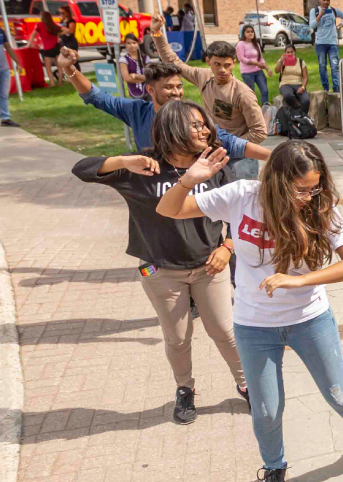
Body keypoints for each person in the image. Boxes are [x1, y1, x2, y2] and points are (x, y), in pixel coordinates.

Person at [155, 141, 343, 481]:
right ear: (278, 182)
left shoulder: (319, 207)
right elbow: (169, 210)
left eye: (316, 188)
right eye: (302, 190)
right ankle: (274, 467)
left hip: (310, 320)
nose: (309, 197)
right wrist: (189, 179)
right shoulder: (242, 196)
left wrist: (301, 281)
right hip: (254, 326)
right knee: (267, 411)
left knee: (339, 395)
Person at [70, 101, 250, 427]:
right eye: (195, 125)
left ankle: (246, 384)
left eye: (204, 124)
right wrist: (124, 160)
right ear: (173, 129)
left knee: (224, 331)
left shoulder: (215, 166)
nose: (206, 130)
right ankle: (185, 389)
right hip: (160, 270)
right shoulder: (144, 168)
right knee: (178, 337)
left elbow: (241, 215)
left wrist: (227, 246)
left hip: (210, 267)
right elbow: (81, 169)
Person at [56, 48, 269, 158]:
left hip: (189, 194)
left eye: (179, 86)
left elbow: (231, 143)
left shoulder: (194, 116)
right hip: (152, 193)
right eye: (169, 88)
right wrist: (69, 70)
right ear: (150, 90)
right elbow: (98, 97)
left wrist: (275, 156)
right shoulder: (136, 111)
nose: (176, 93)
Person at [310, 0, 343, 92]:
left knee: (334, 66)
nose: (326, 2)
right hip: (320, 43)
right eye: (324, 0)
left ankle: (336, 87)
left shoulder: (334, 10)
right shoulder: (314, 11)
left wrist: (340, 26)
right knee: (322, 66)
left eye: (328, 0)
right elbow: (312, 25)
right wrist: (320, 15)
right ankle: (325, 88)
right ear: (320, 0)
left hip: (332, 43)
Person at [235, 25, 271, 106]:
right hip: (247, 73)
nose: (250, 33)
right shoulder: (241, 44)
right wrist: (256, 63)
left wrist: (267, 69)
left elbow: (260, 58)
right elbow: (242, 58)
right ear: (243, 33)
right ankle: (253, 110)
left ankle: (265, 109)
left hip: (258, 71)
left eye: (252, 31)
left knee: (265, 91)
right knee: (251, 94)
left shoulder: (256, 44)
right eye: (248, 32)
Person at [275, 39, 310, 114]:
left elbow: (305, 77)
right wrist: (281, 61)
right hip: (285, 84)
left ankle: (303, 117)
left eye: (292, 52)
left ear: (295, 52)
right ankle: (298, 110)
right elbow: (276, 70)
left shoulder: (300, 61)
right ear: (285, 53)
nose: (290, 54)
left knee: (306, 100)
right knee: (288, 95)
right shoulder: (282, 61)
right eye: (288, 52)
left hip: (298, 84)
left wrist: (303, 87)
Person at [32, 10, 64, 86]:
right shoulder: (53, 25)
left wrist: (29, 44)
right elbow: (62, 31)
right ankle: (60, 82)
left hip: (47, 48)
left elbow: (33, 35)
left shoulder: (39, 25)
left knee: (48, 67)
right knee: (59, 66)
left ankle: (52, 83)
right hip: (56, 47)